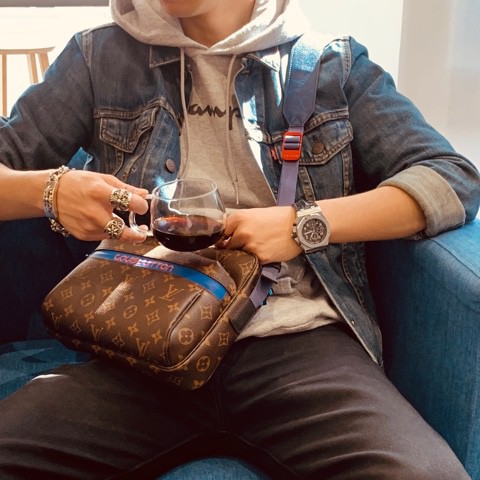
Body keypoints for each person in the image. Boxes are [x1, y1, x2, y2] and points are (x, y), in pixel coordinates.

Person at [0, 0, 478, 478]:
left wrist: (300, 225)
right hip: (141, 345)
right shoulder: (98, 57)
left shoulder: (332, 65)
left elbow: (452, 178)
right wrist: (49, 191)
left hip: (296, 345)